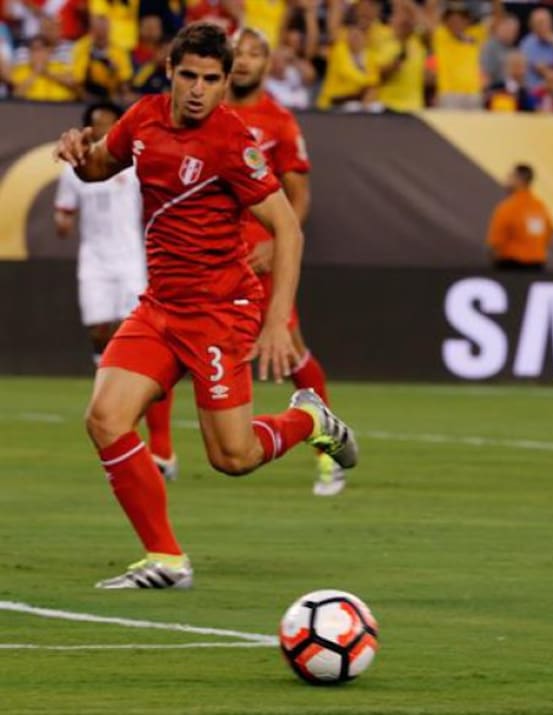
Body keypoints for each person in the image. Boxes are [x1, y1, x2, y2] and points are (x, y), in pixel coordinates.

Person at [54, 22, 358, 590]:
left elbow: (288, 230)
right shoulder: (143, 118)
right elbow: (98, 167)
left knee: (233, 458)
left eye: (211, 80)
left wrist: (276, 321)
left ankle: (310, 419)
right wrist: (77, 154)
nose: (198, 90)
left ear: (224, 83)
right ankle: (166, 559)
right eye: (189, 76)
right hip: (160, 306)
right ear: (170, 71)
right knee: (105, 419)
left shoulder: (232, 143)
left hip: (219, 312)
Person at [228, 26, 347, 496]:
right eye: (237, 51)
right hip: (210, 252)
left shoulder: (278, 122)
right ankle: (159, 453)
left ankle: (327, 449)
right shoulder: (206, 112)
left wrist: (277, 245)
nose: (243, 60)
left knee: (291, 350)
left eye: (254, 53)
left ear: (267, 64)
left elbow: (299, 197)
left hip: (258, 258)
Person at [54, 101, 176, 479]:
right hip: (94, 261)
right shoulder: (75, 170)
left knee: (137, 339)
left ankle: (160, 445)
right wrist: (62, 222)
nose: (106, 129)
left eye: (111, 123)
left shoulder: (136, 164)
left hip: (131, 260)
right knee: (98, 332)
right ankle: (118, 409)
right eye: (99, 124)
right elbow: (64, 212)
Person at [486, 163, 552, 271]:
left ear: (519, 179)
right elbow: (547, 237)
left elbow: (495, 244)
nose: (506, 180)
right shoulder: (541, 208)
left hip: (511, 267)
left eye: (510, 176)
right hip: (537, 267)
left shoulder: (508, 208)